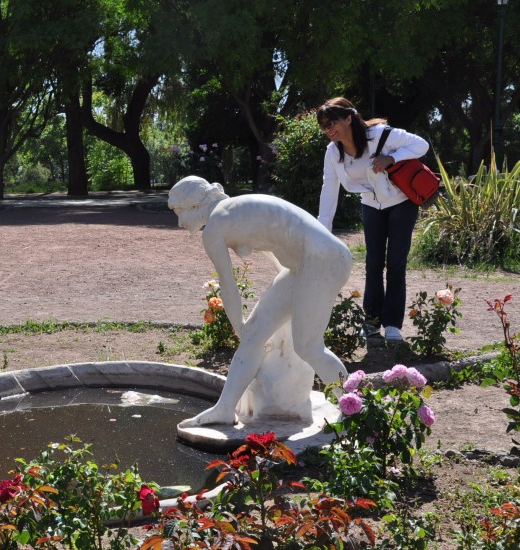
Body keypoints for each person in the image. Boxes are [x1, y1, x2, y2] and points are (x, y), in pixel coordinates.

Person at [168, 175, 352, 426]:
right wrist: (251, 326)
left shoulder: (215, 227)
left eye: (178, 212)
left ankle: (356, 408)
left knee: (308, 346)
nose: (179, 222)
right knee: (255, 334)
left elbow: (228, 285)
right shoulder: (233, 210)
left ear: (194, 205)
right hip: (305, 264)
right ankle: (224, 408)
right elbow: (276, 242)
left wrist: (237, 326)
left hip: (322, 260)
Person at [316, 97, 429, 342]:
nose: (328, 130)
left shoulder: (379, 135)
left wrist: (392, 159)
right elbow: (329, 188)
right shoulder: (333, 152)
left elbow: (421, 145)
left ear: (348, 118)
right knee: (373, 263)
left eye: (331, 123)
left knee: (396, 263)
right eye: (324, 126)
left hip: (401, 203)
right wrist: (323, 231)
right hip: (371, 204)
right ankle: (371, 322)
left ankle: (392, 325)